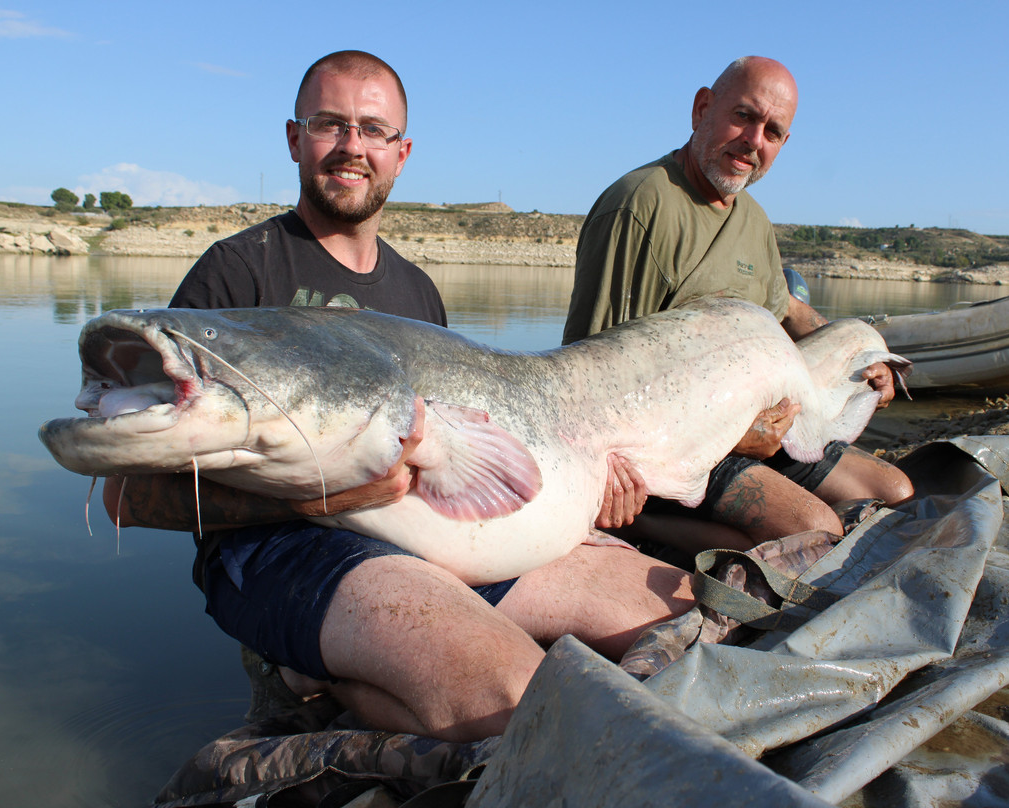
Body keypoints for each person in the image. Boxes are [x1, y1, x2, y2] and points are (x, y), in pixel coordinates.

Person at [104, 50, 692, 743]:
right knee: (514, 691)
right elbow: (126, 496)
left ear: (401, 152)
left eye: (373, 130)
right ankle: (296, 673)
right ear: (295, 138)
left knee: (675, 609)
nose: (352, 148)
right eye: (330, 124)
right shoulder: (235, 278)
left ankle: (343, 672)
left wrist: (591, 489)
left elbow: (460, 459)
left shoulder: (419, 297)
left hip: (422, 535)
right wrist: (329, 495)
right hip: (271, 550)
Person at [562, 56, 913, 557]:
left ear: (783, 145)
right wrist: (734, 437)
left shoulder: (752, 218)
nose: (754, 140)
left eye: (772, 131)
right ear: (702, 108)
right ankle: (633, 531)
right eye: (744, 116)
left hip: (768, 433)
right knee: (812, 530)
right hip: (680, 450)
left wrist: (862, 358)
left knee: (894, 493)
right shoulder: (640, 205)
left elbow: (787, 311)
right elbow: (587, 376)